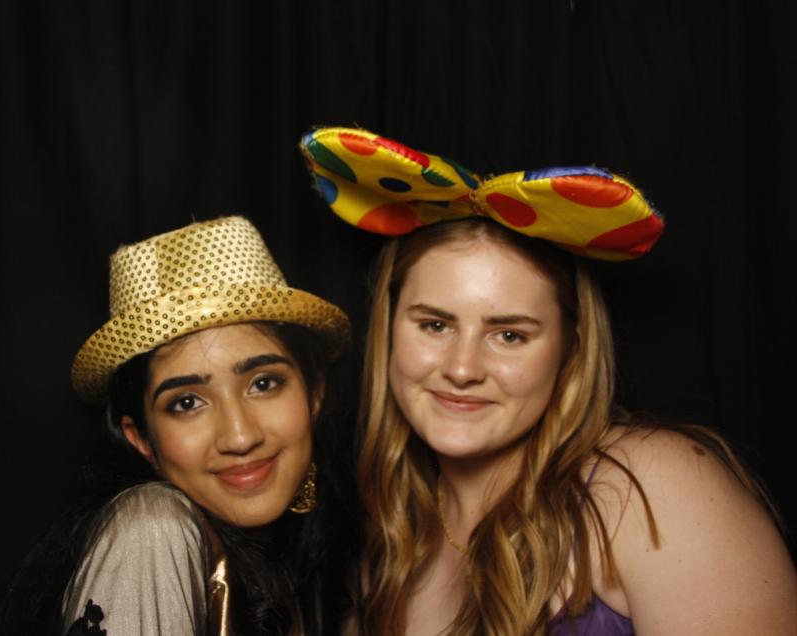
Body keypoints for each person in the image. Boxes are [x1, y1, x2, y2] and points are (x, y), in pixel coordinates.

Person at [300, 127, 797, 635]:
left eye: (509, 335)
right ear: (388, 329)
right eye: (435, 325)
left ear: (571, 348)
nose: (462, 369)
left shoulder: (649, 487)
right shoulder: (386, 547)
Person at [0, 216, 354, 635]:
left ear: (314, 394)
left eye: (263, 383)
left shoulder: (316, 556)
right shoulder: (151, 530)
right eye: (187, 403)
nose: (240, 436)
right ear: (141, 439)